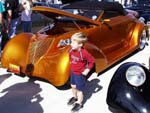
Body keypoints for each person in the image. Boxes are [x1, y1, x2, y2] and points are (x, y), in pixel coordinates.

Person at [67, 32, 95, 112]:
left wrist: (87, 70)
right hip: (73, 72)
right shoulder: (71, 50)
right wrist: (70, 62)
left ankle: (79, 103)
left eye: (73, 42)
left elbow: (92, 61)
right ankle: (74, 97)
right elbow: (70, 56)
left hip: (79, 75)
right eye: (71, 42)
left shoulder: (84, 53)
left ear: (80, 44)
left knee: (79, 90)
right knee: (72, 86)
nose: (71, 44)